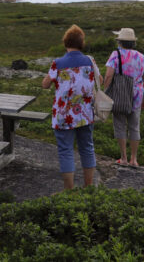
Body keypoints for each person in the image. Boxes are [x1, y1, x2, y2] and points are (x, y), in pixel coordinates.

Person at [41, 25, 97, 189]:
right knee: (87, 148)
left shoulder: (57, 63)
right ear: (81, 43)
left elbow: (45, 84)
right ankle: (88, 188)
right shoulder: (90, 61)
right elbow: (99, 79)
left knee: (65, 151)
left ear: (66, 42)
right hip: (85, 114)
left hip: (64, 115)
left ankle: (69, 192)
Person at [102, 28, 144, 167]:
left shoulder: (115, 54)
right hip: (137, 96)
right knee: (135, 127)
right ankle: (134, 159)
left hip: (119, 95)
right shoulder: (142, 57)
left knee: (120, 126)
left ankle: (123, 158)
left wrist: (104, 93)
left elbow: (109, 75)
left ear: (120, 41)